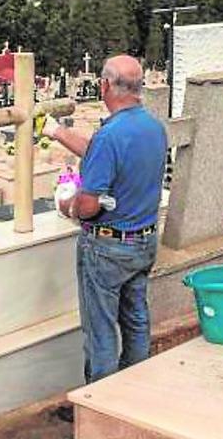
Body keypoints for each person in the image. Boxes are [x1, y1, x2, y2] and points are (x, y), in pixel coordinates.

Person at [42, 55, 168, 384]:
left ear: (105, 85)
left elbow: (88, 206)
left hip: (108, 247)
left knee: (101, 333)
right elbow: (107, 154)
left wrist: (68, 204)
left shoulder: (110, 135)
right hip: (143, 240)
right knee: (136, 321)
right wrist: (58, 132)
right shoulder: (152, 127)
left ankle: (101, 404)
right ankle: (133, 390)